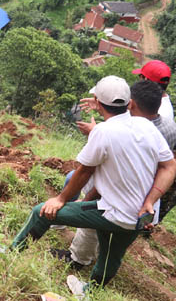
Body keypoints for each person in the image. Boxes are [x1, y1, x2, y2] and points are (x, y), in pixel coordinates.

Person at [10, 76, 175, 292]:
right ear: (129, 102)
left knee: (42, 211)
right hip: (142, 217)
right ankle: (90, 292)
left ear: (97, 101)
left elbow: (84, 171)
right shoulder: (146, 126)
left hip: (115, 212)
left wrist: (60, 199)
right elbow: (169, 165)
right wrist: (151, 200)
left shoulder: (103, 131)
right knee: (111, 255)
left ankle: (11, 254)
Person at [52, 79, 176, 270]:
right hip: (146, 200)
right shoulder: (166, 126)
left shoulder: (139, 129)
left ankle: (79, 258)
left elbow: (111, 168)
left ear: (131, 103)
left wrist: (96, 131)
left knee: (93, 213)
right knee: (113, 246)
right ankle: (96, 261)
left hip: (127, 195)